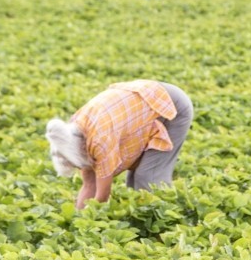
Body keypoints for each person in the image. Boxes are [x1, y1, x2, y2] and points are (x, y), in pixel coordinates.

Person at [45, 80, 193, 209]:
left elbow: (102, 197)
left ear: (79, 150)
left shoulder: (100, 140)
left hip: (170, 105)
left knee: (148, 177)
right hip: (143, 101)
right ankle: (144, 222)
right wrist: (77, 221)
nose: (80, 168)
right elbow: (89, 184)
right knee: (132, 180)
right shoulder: (73, 134)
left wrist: (89, 221)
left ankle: (165, 225)